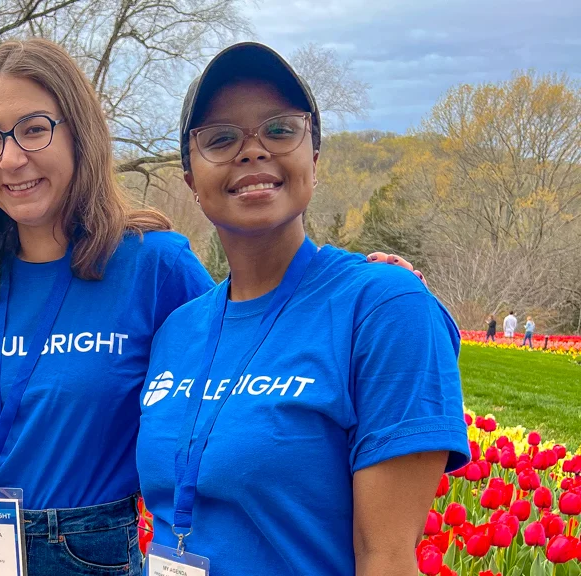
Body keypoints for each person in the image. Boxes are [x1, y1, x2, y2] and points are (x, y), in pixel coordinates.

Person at [0, 38, 424, 576]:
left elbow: (250, 330)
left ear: (79, 136)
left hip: (90, 547)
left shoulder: (153, 265)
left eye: (33, 129)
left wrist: (370, 289)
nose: (12, 156)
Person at [135, 42, 470, 576]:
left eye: (279, 129)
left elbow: (385, 557)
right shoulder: (179, 328)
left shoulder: (383, 308)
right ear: (191, 182)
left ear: (313, 155)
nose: (252, 151)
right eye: (220, 139)